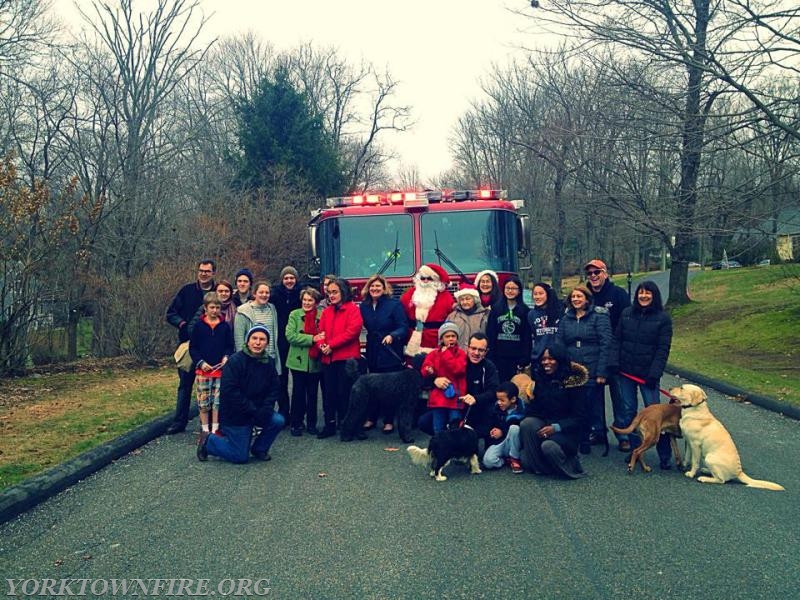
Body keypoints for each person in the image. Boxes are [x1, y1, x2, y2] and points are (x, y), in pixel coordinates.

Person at [197, 325, 285, 464]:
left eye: (262, 339)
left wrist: (266, 408)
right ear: (247, 341)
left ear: (267, 343)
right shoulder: (235, 361)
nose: (257, 342)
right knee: (239, 457)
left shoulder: (269, 362)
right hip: (236, 414)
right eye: (254, 338)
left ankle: (259, 448)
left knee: (278, 420)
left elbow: (274, 388)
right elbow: (230, 392)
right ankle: (208, 441)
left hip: (258, 410)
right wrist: (252, 409)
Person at [611, 280, 674, 468]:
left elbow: (663, 349)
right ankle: (635, 449)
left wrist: (654, 374)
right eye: (641, 293)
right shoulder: (627, 314)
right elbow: (617, 340)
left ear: (654, 296)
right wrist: (614, 363)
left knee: (657, 415)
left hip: (648, 376)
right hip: (626, 372)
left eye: (648, 293)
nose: (643, 296)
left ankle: (665, 455)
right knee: (629, 411)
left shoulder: (663, 319)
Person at [555, 284, 612, 453]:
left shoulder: (598, 316)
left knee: (590, 404)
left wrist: (602, 371)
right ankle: (577, 436)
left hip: (592, 366)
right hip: (572, 367)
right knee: (573, 403)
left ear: (587, 299)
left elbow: (606, 343)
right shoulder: (566, 319)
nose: (576, 300)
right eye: (573, 297)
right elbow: (559, 342)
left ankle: (591, 435)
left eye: (579, 296)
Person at [519, 343, 589, 478]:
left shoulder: (574, 382)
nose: (546, 362)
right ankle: (540, 467)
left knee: (548, 446)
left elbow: (581, 418)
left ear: (560, 359)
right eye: (544, 359)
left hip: (567, 431)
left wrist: (556, 427)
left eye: (551, 359)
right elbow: (536, 409)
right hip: (546, 422)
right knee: (527, 424)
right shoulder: (541, 378)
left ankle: (570, 466)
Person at [584, 258, 631, 451]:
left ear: (605, 273)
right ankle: (598, 430)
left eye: (597, 272)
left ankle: (623, 434)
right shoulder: (584, 295)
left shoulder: (618, 294)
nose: (593, 276)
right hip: (593, 355)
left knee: (619, 397)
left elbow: (627, 323)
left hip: (615, 354)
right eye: (590, 273)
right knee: (593, 396)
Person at [165, 259, 216, 434]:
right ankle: (179, 422)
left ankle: (209, 425)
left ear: (213, 273)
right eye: (201, 270)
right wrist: (182, 324)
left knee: (211, 387)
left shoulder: (219, 292)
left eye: (207, 271)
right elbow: (170, 313)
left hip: (210, 347)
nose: (204, 274)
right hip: (188, 346)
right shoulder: (186, 291)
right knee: (185, 385)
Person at [418, 332, 500, 441]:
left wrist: (476, 399)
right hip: (452, 405)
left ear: (486, 351)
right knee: (424, 422)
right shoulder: (458, 359)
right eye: (473, 348)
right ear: (467, 348)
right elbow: (426, 376)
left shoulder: (488, 367)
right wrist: (435, 380)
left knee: (485, 453)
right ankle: (444, 443)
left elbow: (494, 391)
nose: (476, 353)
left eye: (481, 350)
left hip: (477, 410)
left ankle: (469, 440)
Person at [314, 278, 363, 439]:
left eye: (335, 292)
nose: (331, 295)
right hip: (328, 359)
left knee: (346, 394)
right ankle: (330, 425)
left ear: (343, 292)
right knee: (329, 394)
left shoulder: (353, 309)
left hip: (346, 359)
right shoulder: (327, 311)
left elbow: (352, 332)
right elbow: (320, 332)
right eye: (329, 292)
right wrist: (321, 345)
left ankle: (348, 426)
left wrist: (331, 345)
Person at [359, 274, 407, 433]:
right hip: (373, 349)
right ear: (368, 288)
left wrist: (393, 336)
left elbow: (403, 326)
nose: (375, 289)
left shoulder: (394, 305)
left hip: (390, 350)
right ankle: (371, 418)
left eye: (378, 286)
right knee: (373, 385)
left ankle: (388, 421)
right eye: (372, 286)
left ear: (384, 288)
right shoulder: (364, 306)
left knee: (389, 388)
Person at [189, 292, 234, 435]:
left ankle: (215, 428)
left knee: (217, 401)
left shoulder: (224, 326)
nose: (215, 311)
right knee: (204, 402)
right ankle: (205, 430)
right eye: (212, 307)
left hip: (219, 370)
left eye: (217, 308)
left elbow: (229, 345)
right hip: (204, 370)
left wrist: (226, 357)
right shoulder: (199, 326)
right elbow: (193, 347)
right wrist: (200, 362)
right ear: (205, 308)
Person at [285, 287, 323, 436]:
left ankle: (312, 423)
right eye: (305, 300)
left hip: (315, 360)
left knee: (313, 393)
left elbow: (324, 334)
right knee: (298, 393)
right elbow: (291, 336)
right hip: (297, 360)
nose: (307, 303)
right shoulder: (294, 315)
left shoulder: (321, 315)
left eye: (310, 300)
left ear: (316, 302)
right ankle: (296, 423)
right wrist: (311, 339)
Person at [399, 263, 456, 356]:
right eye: (422, 278)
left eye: (429, 278)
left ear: (436, 280)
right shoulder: (409, 294)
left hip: (434, 341)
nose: (425, 281)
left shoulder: (446, 297)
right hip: (411, 340)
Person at [421, 322, 468, 433]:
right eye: (447, 336)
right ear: (441, 339)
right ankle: (439, 449)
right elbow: (424, 369)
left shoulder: (461, 354)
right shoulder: (433, 354)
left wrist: (446, 354)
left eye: (453, 336)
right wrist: (429, 371)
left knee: (455, 427)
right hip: (439, 398)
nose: (451, 339)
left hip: (455, 397)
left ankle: (454, 449)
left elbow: (458, 369)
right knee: (438, 427)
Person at [486, 275, 532, 383]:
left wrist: (525, 358)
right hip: (498, 356)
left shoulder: (525, 311)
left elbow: (527, 336)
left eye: (514, 288)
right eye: (508, 288)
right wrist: (490, 355)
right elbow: (491, 333)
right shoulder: (496, 309)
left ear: (519, 291)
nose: (510, 291)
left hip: (516, 357)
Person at [271, 266, 302, 422]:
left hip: (296, 341)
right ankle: (284, 412)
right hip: (280, 342)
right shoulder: (274, 295)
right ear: (282, 280)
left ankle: (298, 415)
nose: (289, 281)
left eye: (292, 278)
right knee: (281, 379)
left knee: (298, 380)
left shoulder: (302, 295)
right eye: (286, 278)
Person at [233, 281, 280, 377]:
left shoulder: (272, 309)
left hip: (269, 358)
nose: (264, 295)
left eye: (267, 293)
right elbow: (239, 339)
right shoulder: (243, 311)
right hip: (251, 359)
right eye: (261, 292)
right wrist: (242, 361)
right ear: (254, 294)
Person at [482, 381, 526, 473]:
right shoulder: (495, 409)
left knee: (514, 428)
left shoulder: (522, 411)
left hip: (515, 443)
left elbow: (520, 429)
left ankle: (514, 458)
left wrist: (502, 431)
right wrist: (491, 432)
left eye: (502, 400)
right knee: (488, 462)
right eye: (498, 400)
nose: (499, 403)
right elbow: (488, 425)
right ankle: (505, 460)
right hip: (500, 442)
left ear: (513, 399)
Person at [446, 283, 489, 351]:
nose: (465, 302)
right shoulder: (452, 317)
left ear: (475, 300)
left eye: (468, 299)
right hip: (457, 356)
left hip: (476, 355)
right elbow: (445, 338)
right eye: (462, 299)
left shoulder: (484, 316)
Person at [527, 281, 562, 362]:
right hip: (539, 357)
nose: (537, 297)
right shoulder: (531, 314)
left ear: (548, 294)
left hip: (557, 357)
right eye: (535, 294)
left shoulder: (560, 312)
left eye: (541, 293)